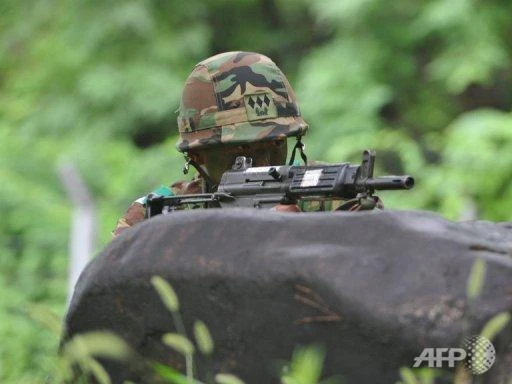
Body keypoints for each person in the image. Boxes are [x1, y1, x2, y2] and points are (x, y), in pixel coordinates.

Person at [113, 51, 309, 236]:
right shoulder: (154, 217)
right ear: (196, 154)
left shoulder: (323, 197)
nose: (265, 162)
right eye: (242, 148)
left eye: (276, 143)